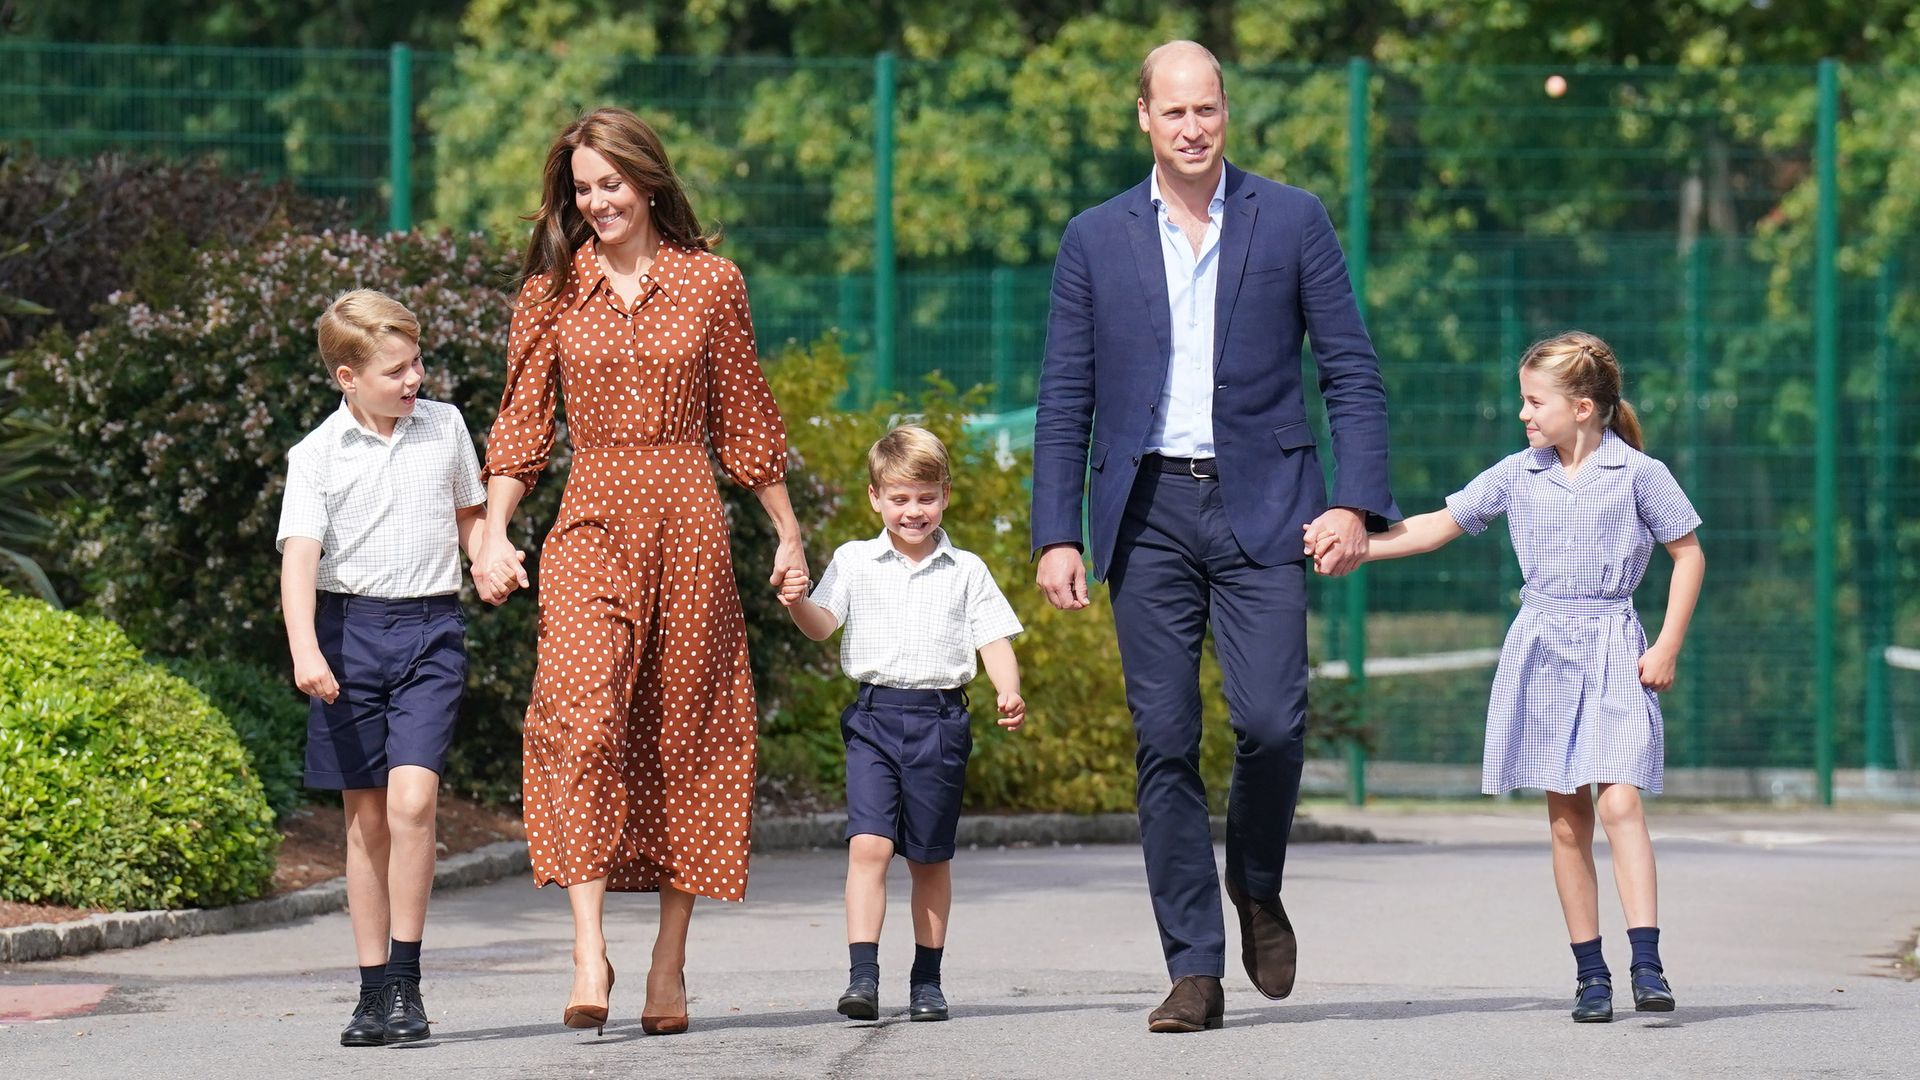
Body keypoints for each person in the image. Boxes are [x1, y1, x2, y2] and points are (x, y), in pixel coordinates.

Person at [1030, 39, 1398, 1032]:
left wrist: (1354, 505)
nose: (1194, 128)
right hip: (1145, 513)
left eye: (1210, 110)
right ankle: (1194, 965)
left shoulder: (1292, 219)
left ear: (1226, 114)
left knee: (1273, 723)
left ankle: (1259, 884)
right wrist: (1054, 533)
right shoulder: (1095, 238)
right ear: (1142, 116)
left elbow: (1352, 372)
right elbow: (1065, 393)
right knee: (1165, 741)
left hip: (1268, 506)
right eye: (1175, 112)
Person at [469, 106, 808, 1036]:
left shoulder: (712, 284)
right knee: (576, 716)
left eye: (611, 184)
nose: (597, 202)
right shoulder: (552, 292)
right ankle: (588, 948)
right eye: (581, 189)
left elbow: (745, 419)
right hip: (590, 520)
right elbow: (523, 425)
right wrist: (495, 533)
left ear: (648, 181)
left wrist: (786, 534)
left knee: (682, 731)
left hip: (690, 522)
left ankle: (668, 962)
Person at [1308, 330, 1704, 1023]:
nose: (1523, 414)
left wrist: (1666, 643)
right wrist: (1359, 547)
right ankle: (1590, 976)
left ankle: (1647, 960)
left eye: (1533, 400)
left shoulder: (1640, 474)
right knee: (1565, 818)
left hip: (1614, 646)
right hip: (1543, 650)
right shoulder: (1518, 473)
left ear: (1582, 407)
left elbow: (1689, 554)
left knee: (1620, 804)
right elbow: (1435, 526)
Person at [278, 289, 524, 1046]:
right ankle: (369, 990)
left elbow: (469, 516)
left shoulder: (444, 426)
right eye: (395, 370)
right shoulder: (316, 455)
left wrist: (492, 553)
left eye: (417, 362)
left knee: (413, 803)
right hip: (348, 635)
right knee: (365, 820)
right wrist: (305, 649)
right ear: (347, 377)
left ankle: (407, 984)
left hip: (429, 631)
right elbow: (299, 561)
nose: (413, 378)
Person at [783, 425, 1026, 1024]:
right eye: (899, 498)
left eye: (925, 497)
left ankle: (927, 980)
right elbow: (822, 624)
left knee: (928, 858)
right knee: (869, 845)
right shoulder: (853, 560)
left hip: (941, 721)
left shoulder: (965, 569)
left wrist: (1008, 689)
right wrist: (795, 601)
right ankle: (862, 976)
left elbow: (992, 636)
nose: (913, 510)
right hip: (874, 717)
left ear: (944, 495)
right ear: (875, 498)